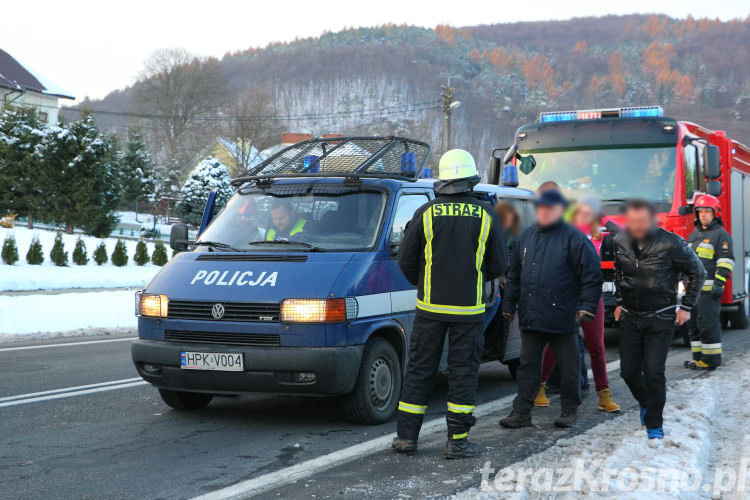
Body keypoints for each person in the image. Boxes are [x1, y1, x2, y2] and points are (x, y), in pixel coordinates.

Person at [392, 149, 507, 459]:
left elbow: (405, 260)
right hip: (468, 311)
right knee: (463, 373)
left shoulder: (425, 213)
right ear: (470, 181)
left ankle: (406, 438)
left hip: (429, 308)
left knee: (419, 369)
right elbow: (499, 264)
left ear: (442, 181)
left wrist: (425, 285)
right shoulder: (486, 215)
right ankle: (456, 441)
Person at [499, 189, 602, 430]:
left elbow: (591, 276)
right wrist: (509, 305)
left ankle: (569, 410)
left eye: (549, 209)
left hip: (563, 315)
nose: (544, 212)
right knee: (527, 366)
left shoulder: (574, 239)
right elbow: (514, 275)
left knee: (569, 367)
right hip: (531, 314)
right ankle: (521, 411)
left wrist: (586, 307)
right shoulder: (525, 237)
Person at [613, 199, 705, 440]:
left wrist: (686, 306)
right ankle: (647, 401)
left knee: (653, 371)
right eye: (633, 222)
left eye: (642, 222)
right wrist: (620, 302)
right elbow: (619, 271)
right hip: (631, 317)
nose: (638, 226)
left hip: (660, 317)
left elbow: (699, 272)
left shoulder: (671, 243)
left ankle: (654, 423)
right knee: (628, 373)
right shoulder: (619, 241)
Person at [534, 197, 621, 413]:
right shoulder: (567, 229)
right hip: (566, 295)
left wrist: (607, 222)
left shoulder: (599, 229)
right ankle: (539, 388)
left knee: (597, 346)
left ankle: (604, 394)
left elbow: (623, 236)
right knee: (558, 343)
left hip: (591, 295)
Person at [685, 194, 734, 370]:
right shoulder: (693, 235)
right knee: (694, 325)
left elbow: (726, 261)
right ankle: (698, 358)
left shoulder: (721, 235)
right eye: (700, 211)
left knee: (707, 324)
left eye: (707, 211)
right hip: (693, 291)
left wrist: (719, 283)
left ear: (716, 213)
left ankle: (711, 359)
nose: (703, 215)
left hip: (709, 291)